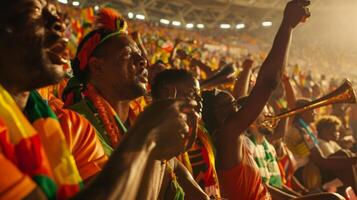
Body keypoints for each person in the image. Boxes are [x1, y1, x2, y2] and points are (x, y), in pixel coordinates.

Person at [0, 1, 197, 199]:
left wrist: (154, 146)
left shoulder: (73, 125)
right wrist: (145, 139)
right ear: (97, 66)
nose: (59, 22)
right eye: (34, 11)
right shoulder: (79, 120)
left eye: (52, 10)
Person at [62, 8, 208, 199]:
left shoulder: (140, 121)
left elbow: (197, 196)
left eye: (139, 54)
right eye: (127, 54)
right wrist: (152, 146)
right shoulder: (75, 125)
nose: (142, 61)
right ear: (97, 66)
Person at [151, 69, 221, 198]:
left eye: (199, 94)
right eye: (193, 93)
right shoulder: (153, 138)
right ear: (168, 92)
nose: (200, 99)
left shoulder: (200, 133)